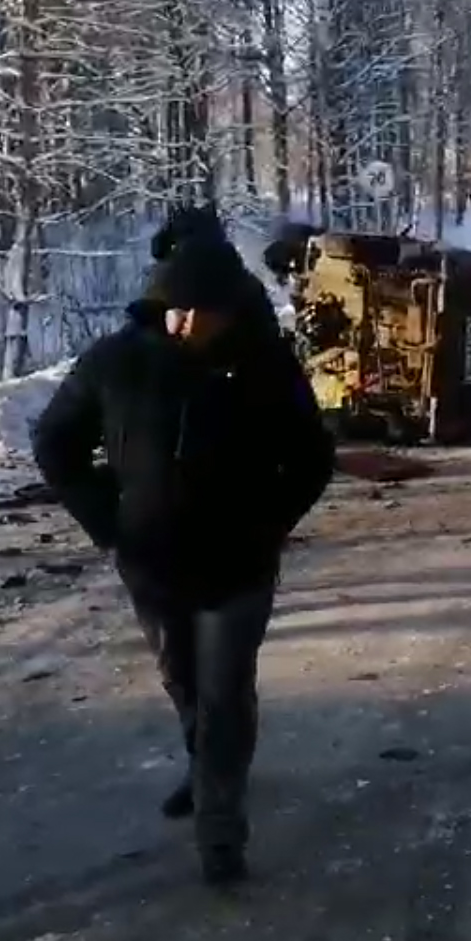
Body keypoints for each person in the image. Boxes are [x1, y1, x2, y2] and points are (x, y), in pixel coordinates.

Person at [31, 224, 335, 887]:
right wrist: (107, 523)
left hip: (240, 564)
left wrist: (270, 521)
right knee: (185, 683)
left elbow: (313, 457)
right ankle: (205, 767)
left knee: (225, 692)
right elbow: (56, 442)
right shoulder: (117, 363)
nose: (188, 321)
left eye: (205, 309)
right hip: (152, 562)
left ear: (232, 310)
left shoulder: (264, 366)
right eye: (179, 306)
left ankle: (220, 830)